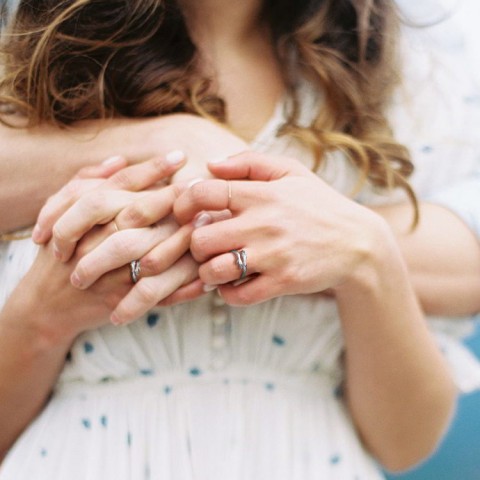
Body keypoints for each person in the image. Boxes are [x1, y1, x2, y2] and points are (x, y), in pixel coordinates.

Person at [0, 0, 479, 479]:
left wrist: (368, 258)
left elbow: (404, 444)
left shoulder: (405, 73)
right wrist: (40, 317)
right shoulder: (23, 43)